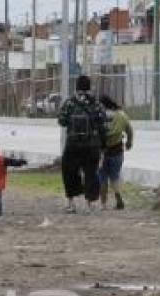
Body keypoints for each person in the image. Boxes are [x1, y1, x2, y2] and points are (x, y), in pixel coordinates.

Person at [57, 75, 108, 213]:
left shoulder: (70, 102)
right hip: (91, 146)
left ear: (77, 87)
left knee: (69, 172)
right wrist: (103, 146)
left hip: (73, 144)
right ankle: (89, 204)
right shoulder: (96, 104)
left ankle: (71, 204)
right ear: (89, 87)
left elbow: (61, 121)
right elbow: (103, 126)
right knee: (91, 173)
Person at [98, 95, 134, 210]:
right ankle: (118, 197)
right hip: (117, 151)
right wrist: (129, 142)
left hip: (102, 152)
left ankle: (103, 204)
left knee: (102, 177)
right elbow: (129, 130)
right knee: (115, 176)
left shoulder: (100, 116)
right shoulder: (121, 115)